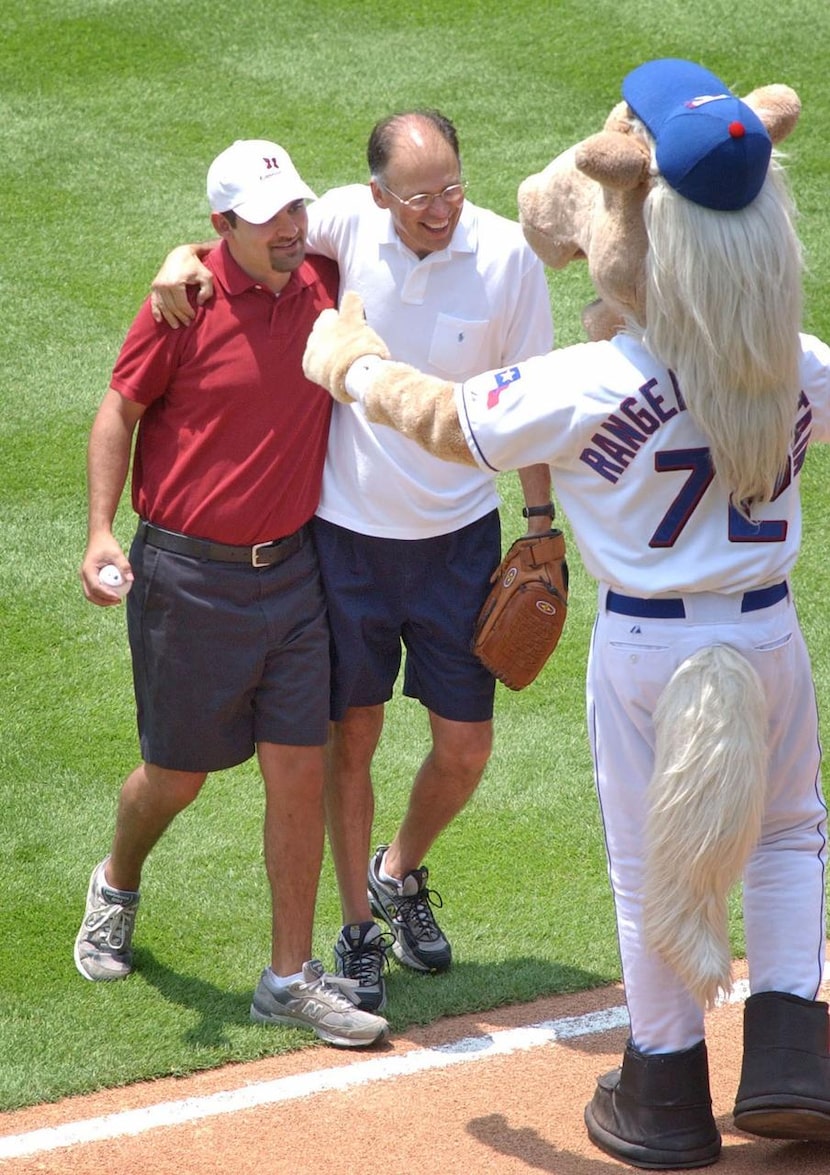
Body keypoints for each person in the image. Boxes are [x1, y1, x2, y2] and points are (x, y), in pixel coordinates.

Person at [300, 59, 830, 1166]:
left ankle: (664, 1093)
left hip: (647, 647)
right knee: (787, 832)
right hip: (767, 633)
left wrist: (351, 366)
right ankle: (789, 1053)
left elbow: (444, 417)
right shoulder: (795, 365)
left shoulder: (591, 377)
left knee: (649, 867)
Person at [149, 109, 554, 1013]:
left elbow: (526, 400)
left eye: (452, 186)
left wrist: (539, 522)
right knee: (352, 739)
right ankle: (357, 932)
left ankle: (397, 872)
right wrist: (175, 256)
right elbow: (251, 238)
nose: (440, 208)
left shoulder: (506, 259)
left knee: (465, 747)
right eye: (419, 196)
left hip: (459, 541)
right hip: (347, 543)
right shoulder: (342, 220)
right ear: (376, 195)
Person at [74, 139, 389, 1050]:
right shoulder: (183, 303)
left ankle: (287, 978)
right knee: (177, 775)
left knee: (297, 769)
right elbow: (118, 411)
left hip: (293, 577)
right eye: (269, 219)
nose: (291, 229)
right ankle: (117, 880)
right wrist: (100, 532)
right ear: (222, 229)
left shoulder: (323, 277)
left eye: (295, 208)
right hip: (187, 580)